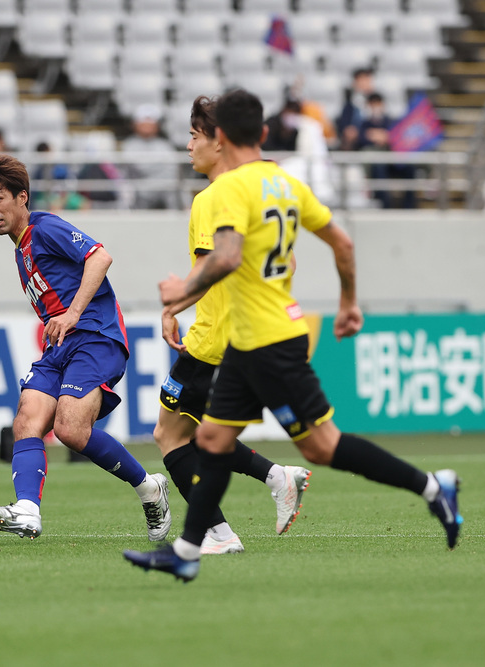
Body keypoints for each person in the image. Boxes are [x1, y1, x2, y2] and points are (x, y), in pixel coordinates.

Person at [124, 89, 462, 582]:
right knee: (212, 438)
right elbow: (342, 243)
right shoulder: (283, 183)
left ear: (221, 137)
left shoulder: (227, 190)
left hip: (266, 343)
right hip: (252, 339)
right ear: (263, 133)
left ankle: (433, 486)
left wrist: (181, 291)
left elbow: (226, 257)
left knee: (323, 446)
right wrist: (348, 302)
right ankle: (189, 551)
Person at [0, 153, 171, 541]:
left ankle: (149, 488)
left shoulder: (44, 228)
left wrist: (73, 313)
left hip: (95, 337)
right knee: (27, 420)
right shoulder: (21, 248)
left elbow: (100, 257)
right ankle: (27, 511)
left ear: (22, 197)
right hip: (61, 346)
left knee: (71, 429)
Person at [155, 95, 311, 557]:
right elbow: (289, 262)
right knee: (203, 433)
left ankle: (220, 534)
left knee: (170, 436)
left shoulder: (214, 198)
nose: (189, 146)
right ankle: (276, 478)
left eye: (195, 136)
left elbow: (211, 268)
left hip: (210, 339)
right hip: (243, 335)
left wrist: (172, 307)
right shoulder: (256, 192)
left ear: (218, 142)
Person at [356, 92, 417, 209]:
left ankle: (409, 205)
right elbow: (361, 140)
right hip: (377, 163)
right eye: (372, 104)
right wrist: (376, 137)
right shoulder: (364, 123)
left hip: (393, 160)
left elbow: (397, 138)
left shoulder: (391, 122)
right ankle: (384, 204)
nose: (375, 107)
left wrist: (384, 137)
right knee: (378, 167)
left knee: (410, 167)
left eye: (378, 104)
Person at [121, 104, 178, 209]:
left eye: (151, 122)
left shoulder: (165, 145)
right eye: (143, 122)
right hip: (139, 191)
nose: (147, 125)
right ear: (135, 124)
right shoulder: (128, 145)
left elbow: (172, 170)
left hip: (164, 188)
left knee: (176, 188)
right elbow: (137, 169)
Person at [336, 67, 375, 152]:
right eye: (360, 80)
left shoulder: (377, 101)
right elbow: (344, 126)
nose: (363, 83)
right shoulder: (350, 105)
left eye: (366, 79)